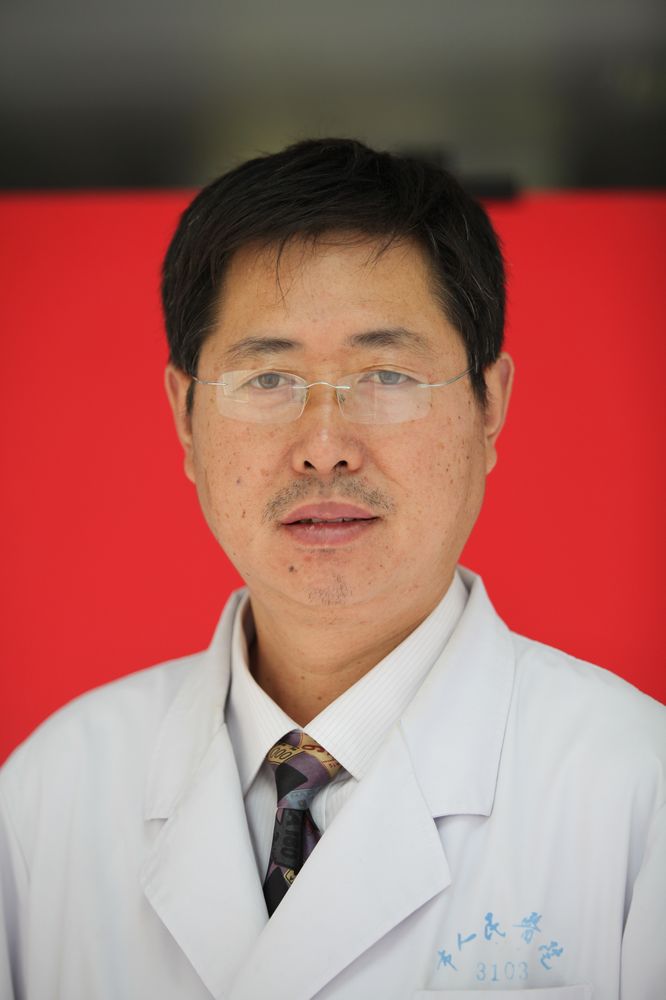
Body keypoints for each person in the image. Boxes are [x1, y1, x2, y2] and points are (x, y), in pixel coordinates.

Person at [0, 138, 663, 1000]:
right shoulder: (49, 795)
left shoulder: (637, 790)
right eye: (268, 378)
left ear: (489, 405)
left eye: (385, 374)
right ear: (186, 418)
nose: (323, 449)